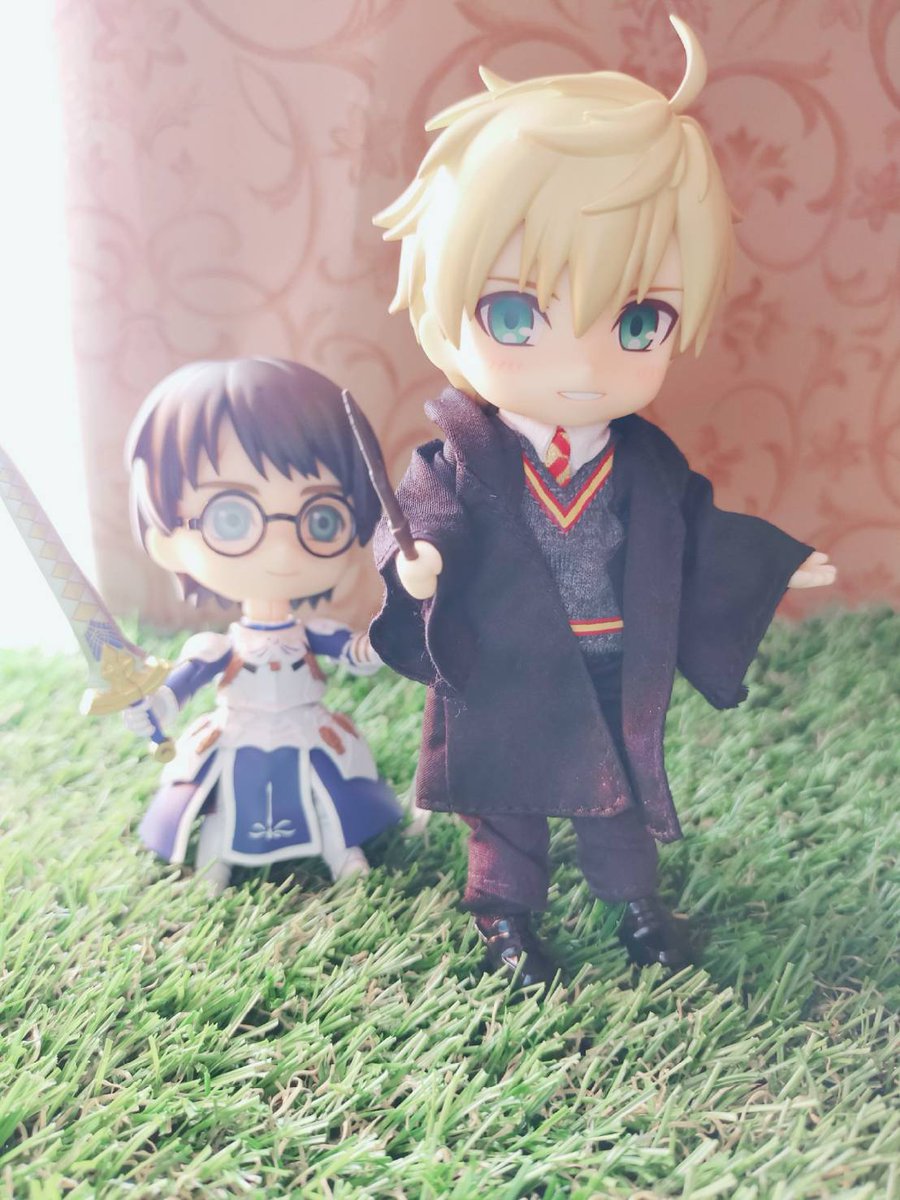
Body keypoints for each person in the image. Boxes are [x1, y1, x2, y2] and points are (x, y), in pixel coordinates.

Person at [367, 18, 835, 985]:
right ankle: (507, 924)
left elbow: (690, 530)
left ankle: (638, 909)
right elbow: (418, 514)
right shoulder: (461, 458)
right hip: (504, 664)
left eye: (636, 319)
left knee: (613, 795)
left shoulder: (642, 463)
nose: (579, 362)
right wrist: (417, 559)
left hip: (611, 659)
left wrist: (773, 562)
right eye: (514, 313)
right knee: (507, 805)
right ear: (444, 310)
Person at [123, 357, 402, 893]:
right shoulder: (214, 647)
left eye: (322, 518)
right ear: (168, 537)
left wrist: (395, 634)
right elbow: (176, 691)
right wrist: (150, 708)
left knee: (326, 795)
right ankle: (214, 867)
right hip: (239, 733)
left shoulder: (316, 632)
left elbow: (361, 654)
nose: (281, 549)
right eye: (232, 518)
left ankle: (344, 855)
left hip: (305, 729)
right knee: (225, 802)